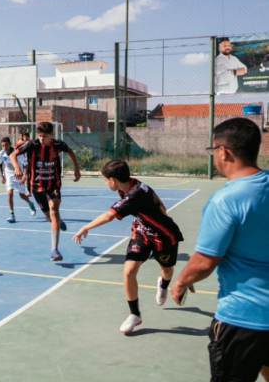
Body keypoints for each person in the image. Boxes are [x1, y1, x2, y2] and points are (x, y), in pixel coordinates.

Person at [171, 118, 269, 382]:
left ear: (223, 152)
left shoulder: (226, 200)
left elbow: (204, 262)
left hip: (244, 318)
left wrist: (180, 281)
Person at [74, 160, 184, 334]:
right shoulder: (129, 185)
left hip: (164, 236)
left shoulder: (134, 195)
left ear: (113, 180)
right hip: (141, 233)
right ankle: (135, 314)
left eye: (105, 180)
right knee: (129, 271)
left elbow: (109, 216)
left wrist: (86, 227)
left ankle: (163, 284)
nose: (105, 183)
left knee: (167, 270)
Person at [11, 121, 81, 261]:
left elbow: (70, 151)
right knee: (50, 218)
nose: (42, 139)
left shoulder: (58, 145)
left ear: (52, 135)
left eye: (45, 136)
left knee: (54, 211)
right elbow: (14, 155)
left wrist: (76, 168)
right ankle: (58, 222)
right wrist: (17, 169)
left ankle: (54, 250)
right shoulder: (33, 144)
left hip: (53, 185)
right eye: (40, 135)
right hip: (36, 188)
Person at [0, 136, 36, 223]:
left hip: (19, 174)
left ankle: (30, 203)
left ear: (10, 145)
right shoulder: (1, 154)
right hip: (9, 174)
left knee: (22, 195)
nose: (4, 148)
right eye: (3, 146)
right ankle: (12, 214)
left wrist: (24, 177)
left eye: (6, 145)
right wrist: (1, 176)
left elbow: (26, 165)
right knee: (10, 193)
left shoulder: (18, 154)